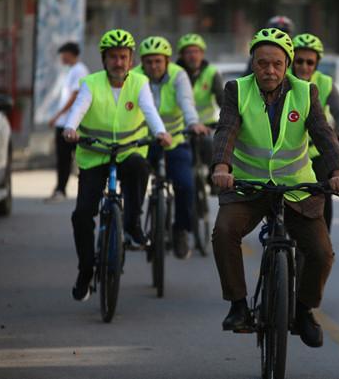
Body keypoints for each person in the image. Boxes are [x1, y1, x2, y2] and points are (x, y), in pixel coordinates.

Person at [211, 28, 339, 348]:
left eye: (277, 64)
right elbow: (226, 130)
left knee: (322, 253)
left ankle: (303, 311)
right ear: (253, 64)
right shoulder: (237, 90)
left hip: (296, 188)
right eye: (262, 63)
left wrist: (338, 170)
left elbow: (323, 133)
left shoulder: (306, 92)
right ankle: (238, 306)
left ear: (287, 65)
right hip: (248, 187)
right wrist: (221, 167)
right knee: (224, 232)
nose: (269, 71)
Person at [62, 29, 172, 301]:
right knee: (82, 215)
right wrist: (70, 128)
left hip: (127, 153)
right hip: (95, 155)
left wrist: (161, 132)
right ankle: (86, 270)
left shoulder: (140, 83)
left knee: (140, 168)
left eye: (123, 57)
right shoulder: (91, 83)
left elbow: (150, 111)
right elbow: (78, 109)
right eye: (113, 57)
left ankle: (132, 224)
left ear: (131, 60)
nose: (119, 62)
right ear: (104, 59)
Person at [134, 36, 209, 260]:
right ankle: (133, 226)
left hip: (175, 140)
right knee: (134, 181)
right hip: (144, 142)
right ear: (142, 62)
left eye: (158, 61)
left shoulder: (178, 75)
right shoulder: (134, 77)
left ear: (167, 61)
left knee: (185, 186)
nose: (154, 66)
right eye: (149, 62)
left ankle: (180, 230)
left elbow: (186, 102)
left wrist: (193, 123)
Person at [291, 33, 339, 231]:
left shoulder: (325, 82)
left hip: (317, 153)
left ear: (317, 64)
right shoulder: (282, 80)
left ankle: (323, 239)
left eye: (310, 62)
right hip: (287, 154)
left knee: (323, 199)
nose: (304, 67)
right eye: (299, 61)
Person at [45, 42, 89, 202]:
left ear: (70, 54)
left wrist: (57, 116)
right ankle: (60, 189)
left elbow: (75, 96)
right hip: (65, 122)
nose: (62, 58)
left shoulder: (79, 70)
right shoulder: (72, 70)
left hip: (69, 123)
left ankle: (63, 190)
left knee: (67, 158)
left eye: (63, 54)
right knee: (64, 158)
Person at [176, 33, 224, 171]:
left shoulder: (211, 73)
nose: (193, 56)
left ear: (202, 54)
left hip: (207, 126)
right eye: (188, 52)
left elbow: (222, 100)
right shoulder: (174, 74)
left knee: (212, 145)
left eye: (196, 51)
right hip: (181, 127)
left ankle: (213, 175)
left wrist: (229, 119)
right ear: (181, 55)